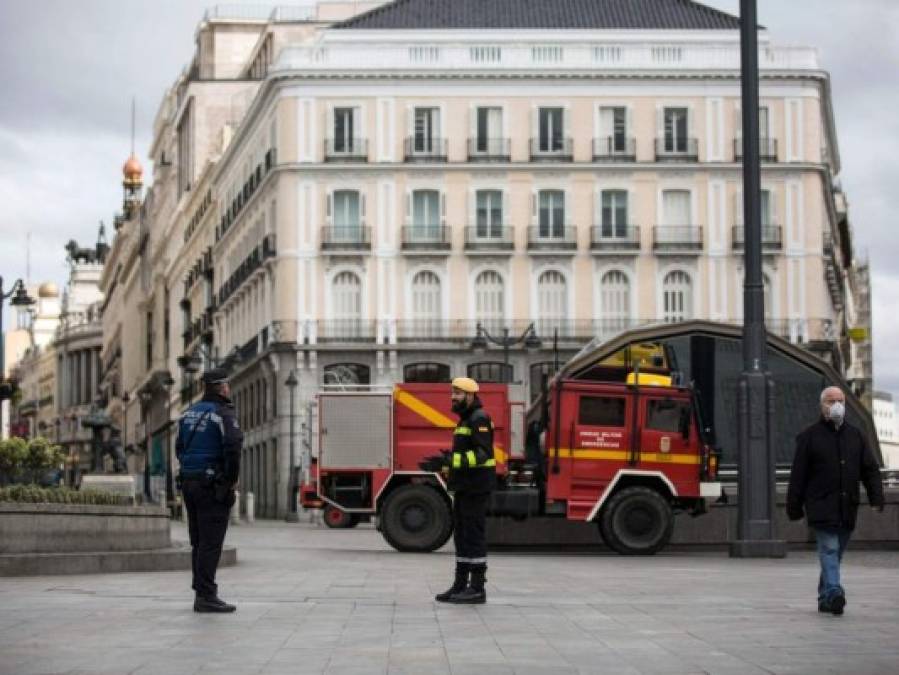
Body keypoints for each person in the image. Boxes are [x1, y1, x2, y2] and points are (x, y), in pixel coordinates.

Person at [786, 385, 884, 616]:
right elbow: (798, 474)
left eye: (840, 400)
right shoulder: (809, 437)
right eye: (831, 400)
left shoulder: (856, 435)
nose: (836, 405)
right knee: (829, 549)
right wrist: (794, 506)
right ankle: (833, 592)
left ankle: (824, 597)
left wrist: (876, 497)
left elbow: (869, 469)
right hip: (820, 506)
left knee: (835, 553)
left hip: (847, 506)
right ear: (822, 405)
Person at [176, 367, 243, 613]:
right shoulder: (222, 413)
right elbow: (233, 446)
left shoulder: (187, 414)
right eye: (228, 385)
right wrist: (230, 480)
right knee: (211, 542)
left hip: (189, 482)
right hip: (211, 485)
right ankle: (206, 595)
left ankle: (200, 592)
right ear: (222, 387)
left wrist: (189, 469)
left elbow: (180, 448)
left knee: (198, 541)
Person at [434, 377, 496, 604]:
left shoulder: (479, 418)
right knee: (461, 536)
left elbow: (483, 455)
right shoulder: (465, 420)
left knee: (473, 535)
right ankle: (460, 584)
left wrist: (453, 460)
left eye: (458, 393)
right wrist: (443, 462)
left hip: (476, 487)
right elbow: (463, 456)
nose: (453, 397)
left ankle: (477, 588)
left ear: (470, 395)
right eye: (453, 393)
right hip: (464, 487)